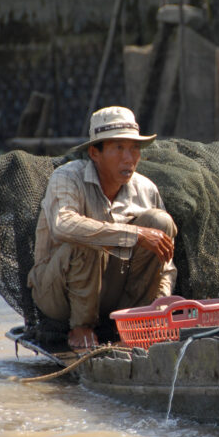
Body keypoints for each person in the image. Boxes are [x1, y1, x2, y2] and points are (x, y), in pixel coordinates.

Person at [27, 106, 177, 349]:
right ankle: (82, 327)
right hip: (58, 294)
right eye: (119, 148)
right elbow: (63, 225)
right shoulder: (67, 177)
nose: (129, 158)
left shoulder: (146, 188)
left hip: (114, 294)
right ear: (94, 153)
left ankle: (135, 324)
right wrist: (135, 234)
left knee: (161, 223)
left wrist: (160, 305)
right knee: (87, 236)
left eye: (134, 148)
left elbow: (166, 265)